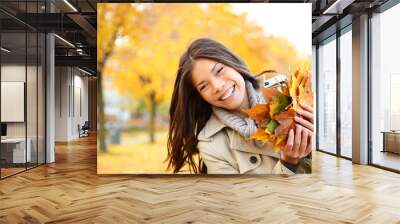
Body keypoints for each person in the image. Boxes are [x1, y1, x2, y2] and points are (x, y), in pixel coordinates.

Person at [167, 38, 313, 174]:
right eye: (204, 86)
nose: (217, 86)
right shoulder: (211, 145)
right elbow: (240, 199)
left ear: (233, 63)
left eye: (219, 71)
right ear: (200, 96)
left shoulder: (287, 90)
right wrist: (289, 164)